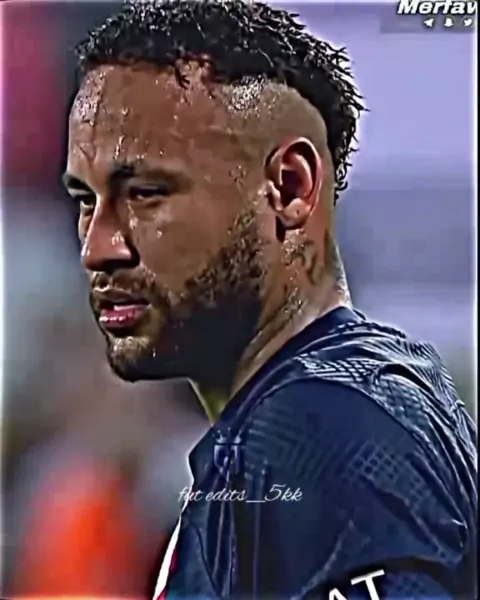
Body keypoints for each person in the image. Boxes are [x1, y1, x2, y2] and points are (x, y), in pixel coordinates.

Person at [63, 1, 477, 598]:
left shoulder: (325, 428)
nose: (98, 248)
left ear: (288, 188)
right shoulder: (320, 411)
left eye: (146, 193)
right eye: (85, 200)